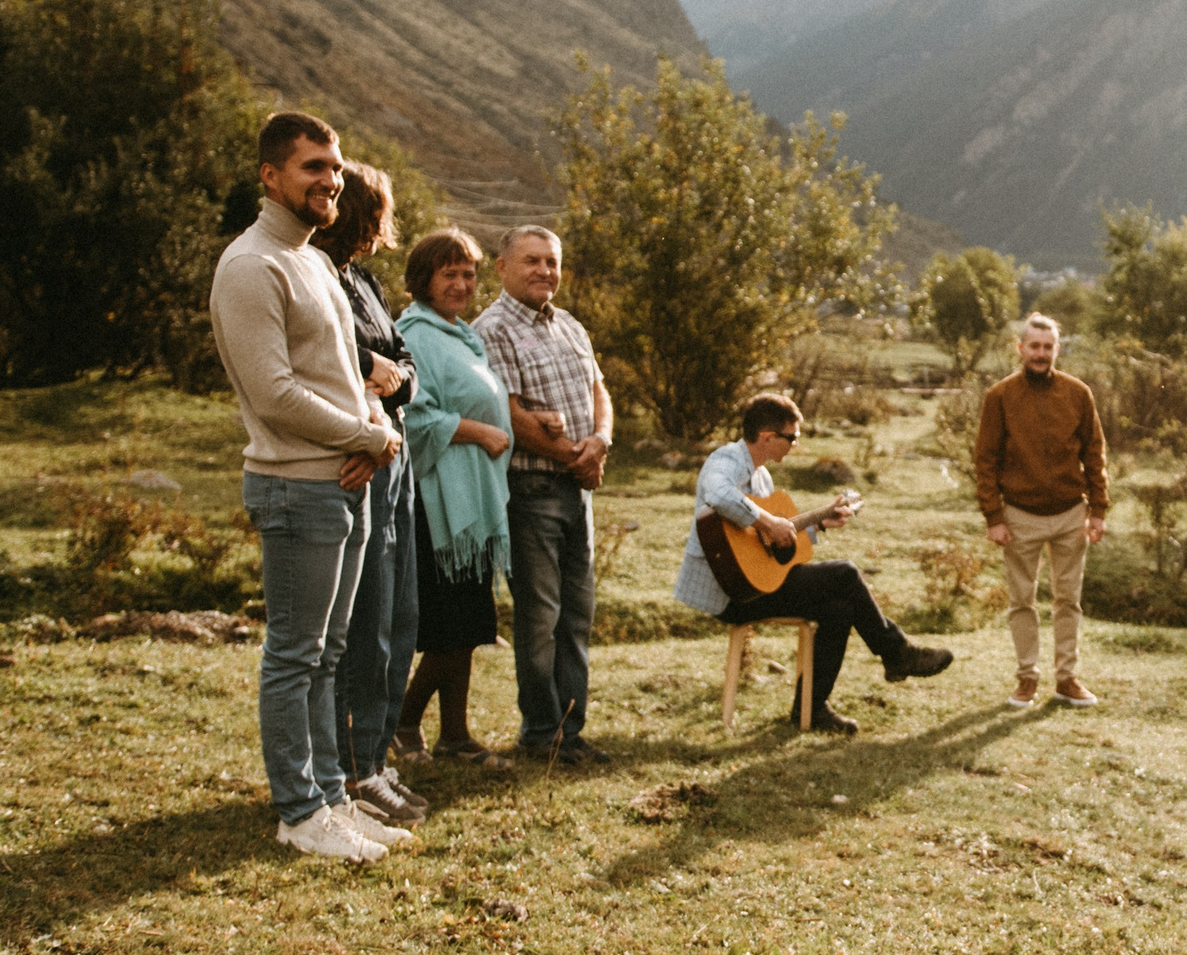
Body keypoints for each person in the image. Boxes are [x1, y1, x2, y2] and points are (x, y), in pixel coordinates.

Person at [208, 111, 412, 863]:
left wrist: (369, 432)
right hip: (295, 486)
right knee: (295, 654)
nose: (330, 181)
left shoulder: (316, 263)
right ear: (270, 175)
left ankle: (332, 799)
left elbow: (345, 374)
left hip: (343, 480)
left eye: (334, 167)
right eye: (311, 168)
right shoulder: (250, 264)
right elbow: (274, 393)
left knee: (330, 655)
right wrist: (369, 436)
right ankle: (298, 810)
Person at [675, 393, 953, 733]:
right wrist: (767, 521)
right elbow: (718, 495)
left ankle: (812, 708)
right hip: (728, 592)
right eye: (792, 437)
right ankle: (897, 654)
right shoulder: (727, 460)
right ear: (767, 437)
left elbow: (769, 550)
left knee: (839, 608)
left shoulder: (762, 478)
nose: (795, 445)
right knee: (846, 573)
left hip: (755, 584)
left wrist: (818, 523)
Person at [312, 161, 430, 828]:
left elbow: (407, 370)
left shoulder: (365, 282)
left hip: (396, 451)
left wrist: (393, 374)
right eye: (380, 211)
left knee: (398, 612)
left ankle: (378, 759)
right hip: (360, 451)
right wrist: (373, 368)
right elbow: (335, 356)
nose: (384, 227)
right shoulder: (319, 277)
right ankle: (355, 765)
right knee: (363, 621)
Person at [475, 226, 608, 765]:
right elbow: (504, 412)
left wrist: (599, 442)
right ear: (502, 267)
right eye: (531, 261)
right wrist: (574, 458)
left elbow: (601, 391)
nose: (544, 271)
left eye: (551, 262)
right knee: (540, 617)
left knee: (577, 614)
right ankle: (540, 733)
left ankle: (569, 733)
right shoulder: (492, 329)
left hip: (578, 488)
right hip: (531, 488)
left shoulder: (570, 325)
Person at [392, 228, 515, 769]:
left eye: (468, 274)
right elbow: (413, 417)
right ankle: (402, 719)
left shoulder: (461, 335)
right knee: (453, 625)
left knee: (467, 624)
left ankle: (456, 736)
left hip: (473, 499)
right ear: (424, 280)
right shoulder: (413, 334)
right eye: (450, 274)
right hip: (440, 499)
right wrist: (479, 432)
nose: (462, 284)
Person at [975, 313, 1109, 708]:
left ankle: (1067, 679)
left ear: (1057, 350)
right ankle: (1026, 679)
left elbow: (1094, 454)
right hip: (1020, 515)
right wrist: (994, 517)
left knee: (1069, 599)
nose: (1040, 353)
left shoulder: (1078, 393)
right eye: (1034, 346)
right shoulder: (999, 397)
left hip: (1071, 513)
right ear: (1020, 349)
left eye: (1048, 347)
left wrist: (1098, 509)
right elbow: (986, 460)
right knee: (1022, 601)